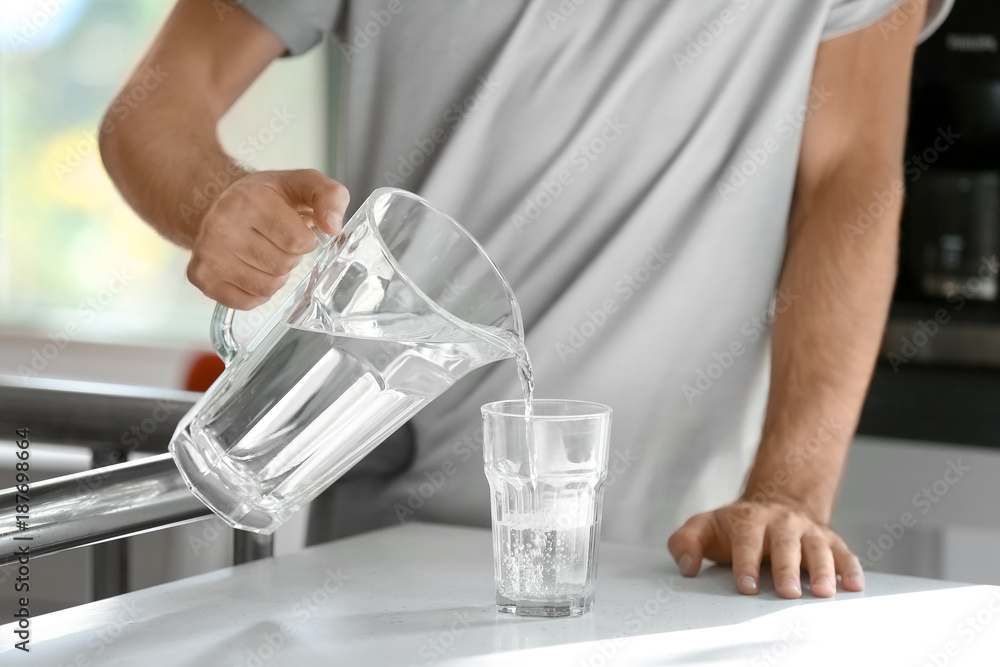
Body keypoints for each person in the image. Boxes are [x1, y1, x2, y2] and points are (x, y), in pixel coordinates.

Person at [100, 0, 952, 599]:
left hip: (696, 561)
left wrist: (791, 494)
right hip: (376, 556)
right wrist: (219, 199)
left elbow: (850, 179)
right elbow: (151, 113)